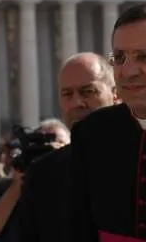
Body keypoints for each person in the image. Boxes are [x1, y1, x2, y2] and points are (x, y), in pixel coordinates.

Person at [71, 1, 146, 242]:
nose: (128, 71)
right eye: (119, 57)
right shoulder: (91, 132)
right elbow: (78, 226)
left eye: (145, 57)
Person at [18, 52, 119, 242]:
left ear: (115, 94)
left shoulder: (142, 157)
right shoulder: (42, 173)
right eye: (67, 94)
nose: (76, 103)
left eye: (87, 91)